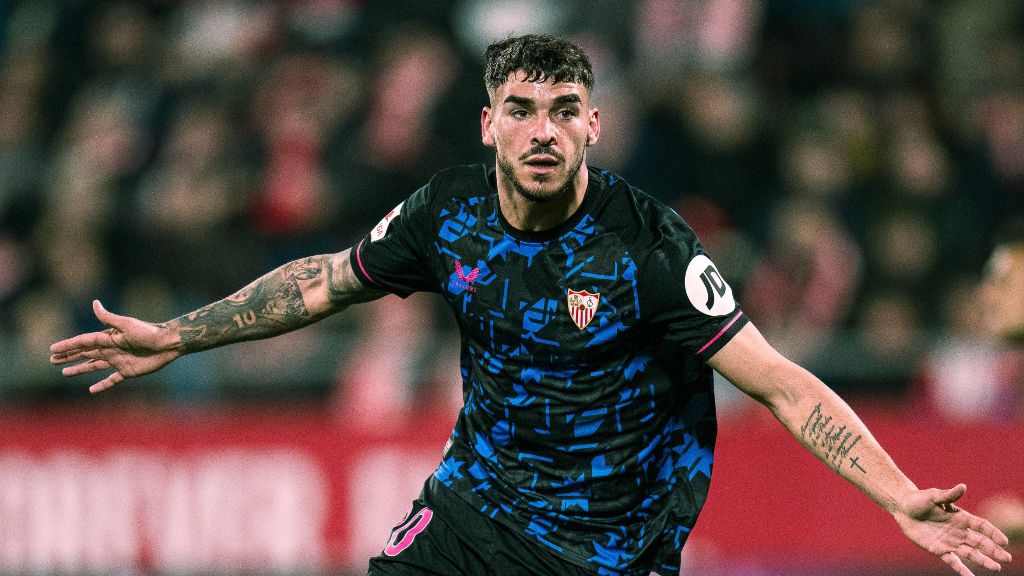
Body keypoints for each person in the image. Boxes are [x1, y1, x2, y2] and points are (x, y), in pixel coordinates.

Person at [50, 34, 1011, 576]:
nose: (541, 130)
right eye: (520, 108)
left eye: (563, 110)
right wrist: (178, 336)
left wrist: (897, 499)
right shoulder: (449, 212)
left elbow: (780, 383)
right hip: (476, 509)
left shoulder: (650, 246)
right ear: (488, 123)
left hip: (614, 547)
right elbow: (327, 279)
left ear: (594, 123)